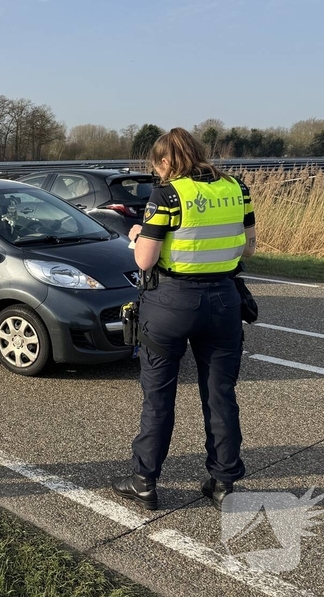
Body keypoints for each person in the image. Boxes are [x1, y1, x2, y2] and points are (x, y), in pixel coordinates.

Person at [113, 128, 256, 512]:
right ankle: (223, 480)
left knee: (159, 396)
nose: (158, 172)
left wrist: (139, 235)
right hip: (224, 300)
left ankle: (144, 480)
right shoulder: (236, 188)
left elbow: (144, 260)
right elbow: (249, 245)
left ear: (166, 160)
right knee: (220, 394)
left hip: (172, 303)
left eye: (158, 165)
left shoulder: (168, 194)